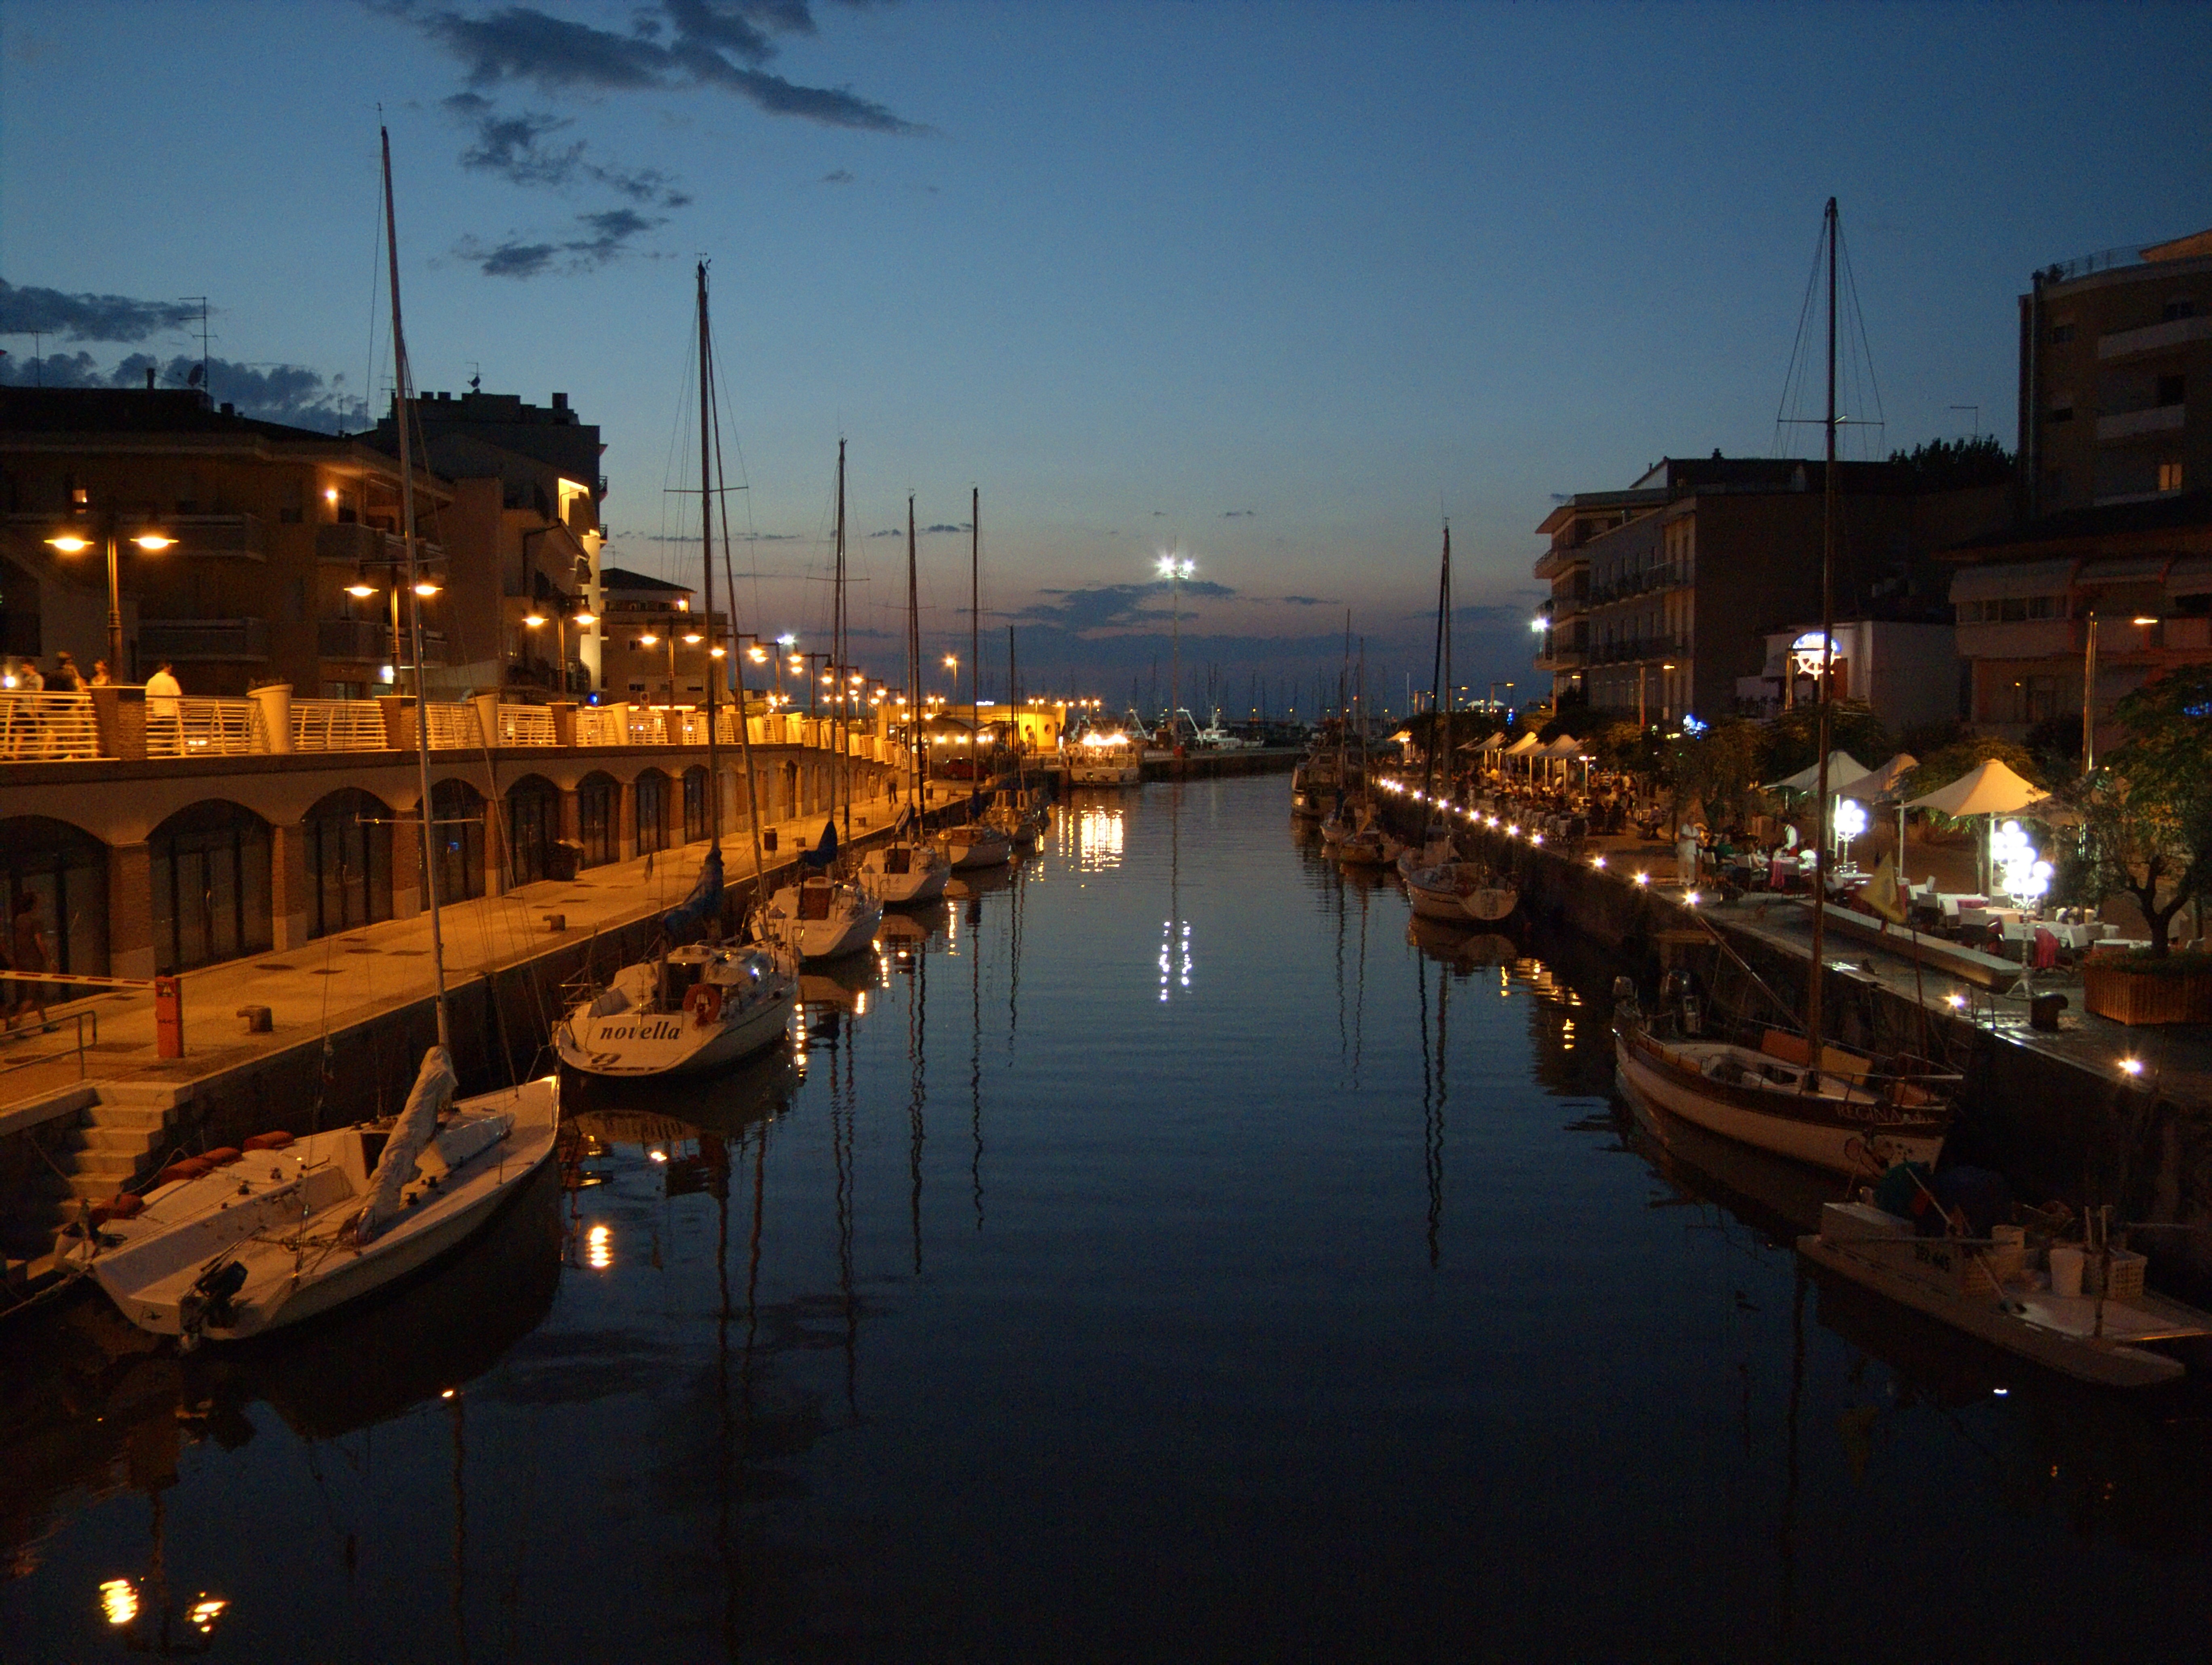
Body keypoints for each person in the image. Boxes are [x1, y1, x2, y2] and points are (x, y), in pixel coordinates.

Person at [7, 893, 49, 1030]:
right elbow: (39, 942)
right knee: (32, 994)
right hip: (34, 961)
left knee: (37, 993)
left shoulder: (19, 920)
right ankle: (16, 1023)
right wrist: (49, 959)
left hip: (23, 960)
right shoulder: (35, 920)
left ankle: (45, 1023)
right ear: (33, 904)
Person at [146, 660, 183, 753]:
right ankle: (160, 751)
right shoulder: (171, 680)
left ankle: (168, 752)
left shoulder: (151, 681)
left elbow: (149, 699)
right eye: (170, 668)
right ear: (166, 668)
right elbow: (178, 696)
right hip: (170, 711)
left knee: (165, 732)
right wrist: (185, 709)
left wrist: (148, 713)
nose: (171, 670)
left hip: (158, 712)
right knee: (169, 734)